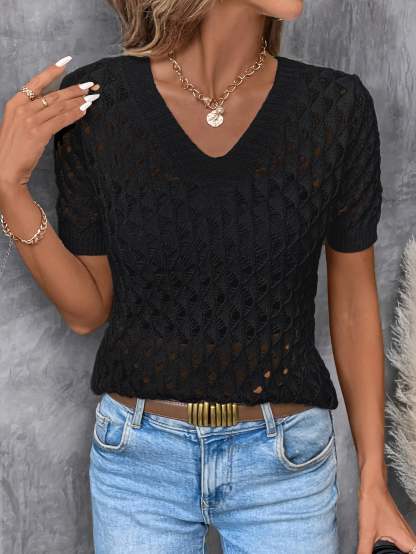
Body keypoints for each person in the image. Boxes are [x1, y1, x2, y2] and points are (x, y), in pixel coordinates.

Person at [0, 1, 415, 553]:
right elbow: (87, 310)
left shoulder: (336, 107)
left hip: (285, 468)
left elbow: (354, 306)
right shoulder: (101, 101)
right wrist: (10, 190)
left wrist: (373, 482)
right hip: (138, 465)